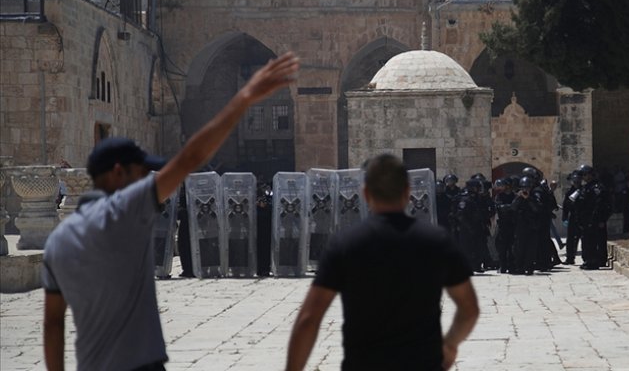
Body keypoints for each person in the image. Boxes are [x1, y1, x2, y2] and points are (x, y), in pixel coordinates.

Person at [41, 53, 301, 371]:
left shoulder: (58, 241)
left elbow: (53, 324)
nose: (148, 180)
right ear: (119, 173)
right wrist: (245, 98)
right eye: (142, 173)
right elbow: (190, 158)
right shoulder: (124, 211)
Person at [285, 154, 479, 371]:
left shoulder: (345, 244)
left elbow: (309, 319)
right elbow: (469, 308)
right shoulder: (437, 242)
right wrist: (450, 343)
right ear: (407, 192)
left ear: (366, 194)